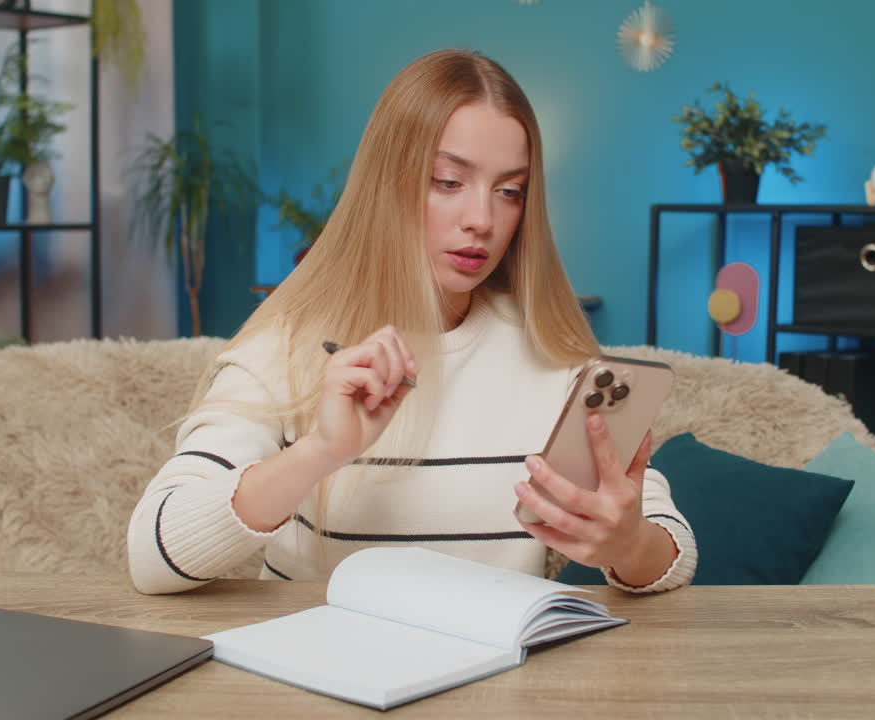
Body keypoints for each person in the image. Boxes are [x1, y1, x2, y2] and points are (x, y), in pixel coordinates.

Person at [127, 49, 697, 595]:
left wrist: (628, 545)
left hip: (502, 685)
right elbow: (154, 557)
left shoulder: (554, 356)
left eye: (509, 192)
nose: (482, 220)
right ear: (386, 183)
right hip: (321, 682)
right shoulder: (288, 344)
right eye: (448, 182)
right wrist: (320, 451)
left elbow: (670, 550)